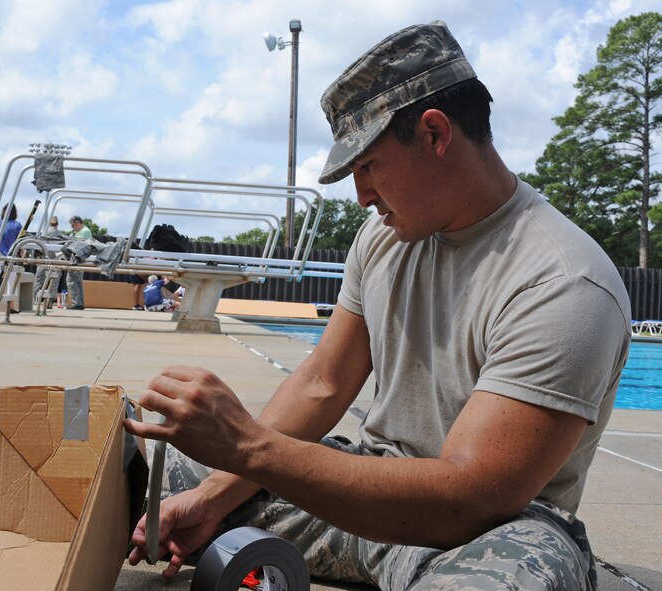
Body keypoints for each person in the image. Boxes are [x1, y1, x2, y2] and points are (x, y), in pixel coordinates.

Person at [123, 21, 631, 591]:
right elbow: (322, 382)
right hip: (367, 492)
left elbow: (467, 500)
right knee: (142, 460)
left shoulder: (564, 282)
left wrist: (247, 446)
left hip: (487, 533)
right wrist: (214, 494)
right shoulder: (384, 237)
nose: (361, 195)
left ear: (435, 134)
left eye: (367, 166)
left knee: (511, 578)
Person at [0, 203, 24, 316]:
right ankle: (11, 306)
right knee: (11, 281)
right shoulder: (17, 225)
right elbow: (21, 243)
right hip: (11, 255)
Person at [66, 215, 91, 310]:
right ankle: (79, 303)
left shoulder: (84, 232)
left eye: (73, 226)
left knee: (71, 281)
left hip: (76, 259)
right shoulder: (84, 231)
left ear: (77, 223)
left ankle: (76, 302)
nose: (72, 228)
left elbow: (73, 244)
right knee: (78, 282)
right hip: (79, 258)